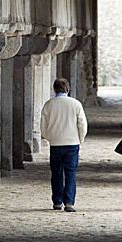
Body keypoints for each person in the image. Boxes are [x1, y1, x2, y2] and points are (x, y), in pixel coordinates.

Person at [41, 78, 88, 212]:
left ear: (54, 89)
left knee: (56, 173)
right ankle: (69, 202)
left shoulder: (49, 104)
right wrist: (81, 138)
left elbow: (43, 125)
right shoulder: (75, 104)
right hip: (72, 143)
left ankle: (57, 201)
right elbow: (82, 124)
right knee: (70, 173)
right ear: (68, 88)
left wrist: (47, 137)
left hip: (55, 143)